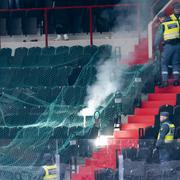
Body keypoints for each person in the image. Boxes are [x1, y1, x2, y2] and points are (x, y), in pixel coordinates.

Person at [154, 12, 180, 87]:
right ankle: (176, 80)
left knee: (164, 63)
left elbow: (158, 37)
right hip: (178, 46)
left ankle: (165, 81)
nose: (160, 20)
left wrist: (155, 45)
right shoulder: (176, 22)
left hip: (168, 46)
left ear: (162, 18)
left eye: (160, 18)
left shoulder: (163, 25)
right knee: (176, 63)